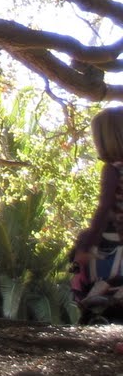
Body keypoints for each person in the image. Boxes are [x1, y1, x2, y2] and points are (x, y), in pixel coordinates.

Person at [71, 106, 123, 318]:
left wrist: (86, 246)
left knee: (79, 249)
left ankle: (85, 298)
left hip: (117, 239)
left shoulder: (113, 169)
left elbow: (104, 209)